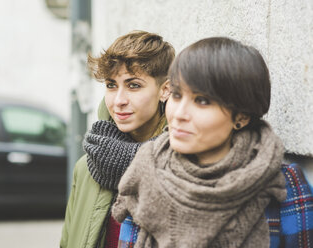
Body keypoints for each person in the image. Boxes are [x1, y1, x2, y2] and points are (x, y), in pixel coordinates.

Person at [112, 37, 313, 248]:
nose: (179, 114)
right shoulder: (147, 173)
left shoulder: (282, 182)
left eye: (202, 101)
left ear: (241, 116)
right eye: (177, 95)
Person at [60, 30, 175, 248]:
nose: (119, 100)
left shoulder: (181, 166)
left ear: (165, 90)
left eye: (134, 85)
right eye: (111, 85)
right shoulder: (86, 168)